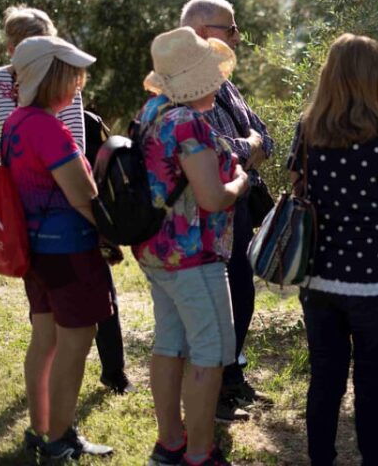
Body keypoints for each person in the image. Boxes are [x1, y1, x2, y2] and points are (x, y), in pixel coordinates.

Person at [0, 6, 133, 395]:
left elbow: (77, 150)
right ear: (12, 48)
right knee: (45, 299)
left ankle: (113, 372)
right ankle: (51, 398)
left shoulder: (65, 88)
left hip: (65, 201)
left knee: (99, 289)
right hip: (22, 209)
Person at [288, 33, 378, 466]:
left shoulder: (308, 130)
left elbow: (298, 189)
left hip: (320, 274)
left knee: (324, 380)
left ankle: (321, 460)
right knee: (371, 384)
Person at [135, 26, 250, 466]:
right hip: (193, 257)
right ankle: (200, 453)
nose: (218, 83)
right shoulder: (188, 124)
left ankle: (170, 443)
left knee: (169, 343)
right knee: (210, 350)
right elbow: (213, 198)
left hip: (156, 252)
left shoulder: (152, 111)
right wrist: (239, 180)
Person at [3, 36, 114, 460]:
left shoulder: (17, 121)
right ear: (53, 76)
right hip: (69, 252)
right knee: (75, 342)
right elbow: (82, 195)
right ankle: (60, 438)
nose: (79, 82)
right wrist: (109, 235)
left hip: (37, 252)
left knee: (44, 340)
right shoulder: (48, 127)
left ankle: (40, 428)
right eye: (73, 74)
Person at [179, 0, 274, 422]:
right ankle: (214, 394)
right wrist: (248, 146)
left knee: (242, 293)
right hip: (209, 214)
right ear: (201, 33)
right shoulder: (181, 86)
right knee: (219, 304)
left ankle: (233, 376)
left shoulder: (224, 80)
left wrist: (250, 146)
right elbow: (212, 148)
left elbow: (265, 136)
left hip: (240, 206)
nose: (237, 35)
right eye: (229, 28)